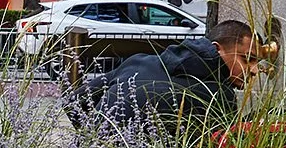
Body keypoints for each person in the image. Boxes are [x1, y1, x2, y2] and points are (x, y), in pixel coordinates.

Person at [80, 17, 257, 137]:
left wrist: (91, 139)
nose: (254, 70)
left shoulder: (141, 60)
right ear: (218, 49)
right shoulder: (218, 96)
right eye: (247, 59)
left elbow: (73, 101)